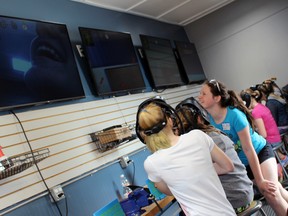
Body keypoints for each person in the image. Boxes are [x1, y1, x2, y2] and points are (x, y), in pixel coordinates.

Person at [198, 79, 288, 216]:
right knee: (277, 189)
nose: (200, 97)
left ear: (216, 98)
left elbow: (248, 149)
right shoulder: (208, 120)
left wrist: (260, 180)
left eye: (204, 93)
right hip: (242, 164)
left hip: (259, 152)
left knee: (271, 193)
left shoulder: (235, 115)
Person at [136, 97, 236, 215]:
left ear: (144, 134)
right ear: (170, 120)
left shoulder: (152, 163)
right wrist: (199, 170)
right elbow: (228, 166)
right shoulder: (198, 136)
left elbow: (169, 190)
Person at [175, 97, 254, 214]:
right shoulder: (213, 133)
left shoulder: (204, 140)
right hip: (243, 192)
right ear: (200, 117)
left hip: (236, 199)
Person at [240, 88, 288, 168]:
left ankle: (281, 159)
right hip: (276, 137)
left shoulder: (256, 112)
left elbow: (264, 135)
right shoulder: (261, 106)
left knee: (254, 149)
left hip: (272, 141)